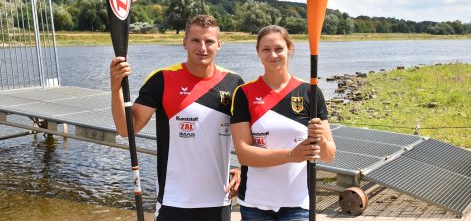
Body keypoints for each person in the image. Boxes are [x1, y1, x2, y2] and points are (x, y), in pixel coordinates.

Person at [110, 14, 244, 221]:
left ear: (219, 44)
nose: (203, 47)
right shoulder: (161, 80)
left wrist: (244, 168)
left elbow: (252, 134)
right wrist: (115, 86)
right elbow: (126, 128)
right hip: (174, 200)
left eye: (209, 41)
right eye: (195, 40)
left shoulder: (234, 83)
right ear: (184, 43)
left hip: (219, 200)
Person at [230, 25, 336, 221]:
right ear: (258, 52)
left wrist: (320, 138)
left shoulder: (310, 92)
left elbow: (329, 155)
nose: (273, 54)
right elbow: (244, 154)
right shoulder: (244, 93)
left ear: (290, 48)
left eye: (279, 48)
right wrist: (290, 155)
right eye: (266, 49)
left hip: (298, 203)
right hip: (255, 203)